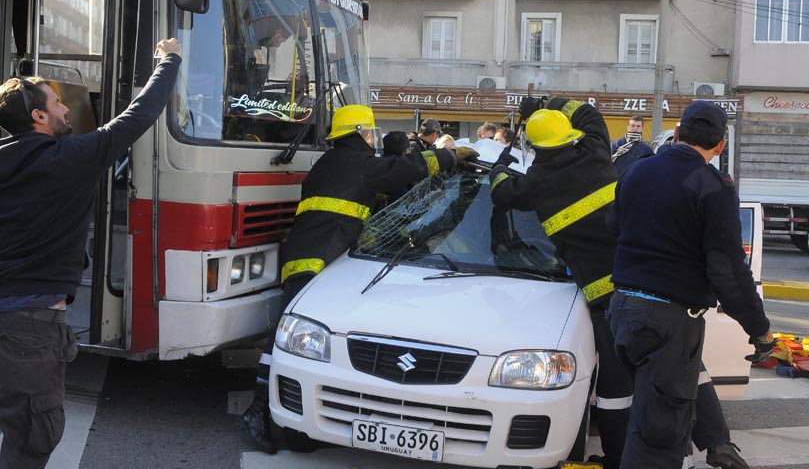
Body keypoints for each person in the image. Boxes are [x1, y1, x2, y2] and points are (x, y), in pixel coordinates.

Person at [240, 105, 477, 453]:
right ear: (363, 133)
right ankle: (258, 412)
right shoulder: (359, 164)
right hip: (315, 265)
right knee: (282, 341)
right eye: (371, 133)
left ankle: (303, 417)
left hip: (313, 261)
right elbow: (404, 168)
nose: (373, 139)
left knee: (308, 344)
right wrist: (449, 156)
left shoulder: (333, 163)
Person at [0, 39, 183, 469]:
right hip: (31, 326)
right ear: (38, 116)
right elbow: (139, 116)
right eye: (58, 104)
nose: (67, 111)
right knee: (32, 438)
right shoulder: (72, 157)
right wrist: (169, 60)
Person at [608, 101, 774, 469]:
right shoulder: (713, 187)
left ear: (678, 134)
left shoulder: (636, 171)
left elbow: (613, 229)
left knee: (654, 412)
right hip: (668, 321)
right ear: (720, 146)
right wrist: (760, 330)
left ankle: (717, 442)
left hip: (623, 311)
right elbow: (728, 271)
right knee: (657, 438)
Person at [488, 99, 632, 469]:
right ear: (570, 135)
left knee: (614, 388)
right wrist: (546, 103)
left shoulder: (537, 182)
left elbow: (503, 193)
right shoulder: (597, 150)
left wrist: (500, 170)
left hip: (601, 297)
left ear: (535, 148)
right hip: (639, 279)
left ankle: (618, 458)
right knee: (652, 375)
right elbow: (590, 114)